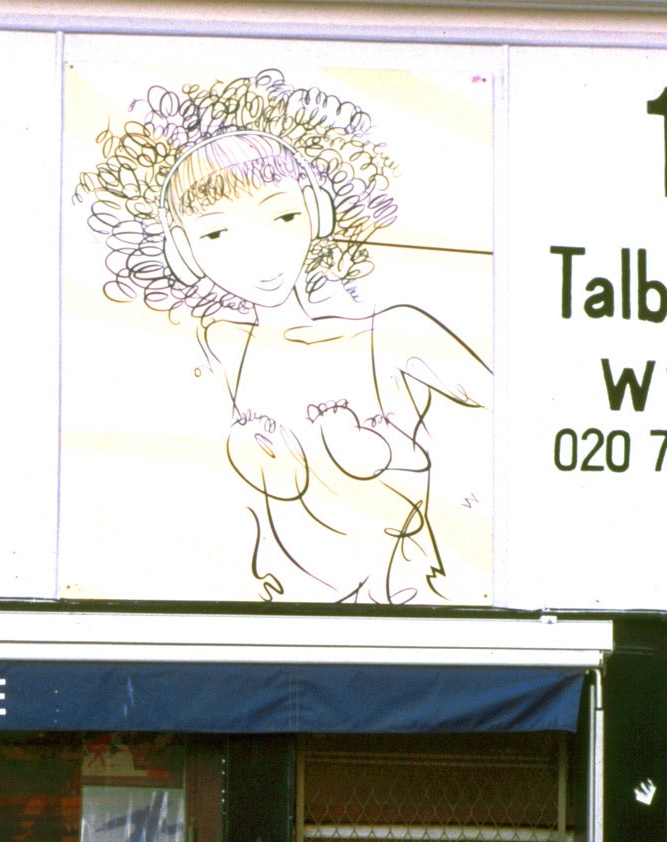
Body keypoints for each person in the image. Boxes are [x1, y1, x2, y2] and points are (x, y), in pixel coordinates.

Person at [82, 76, 491, 605]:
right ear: (183, 252)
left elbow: (514, 409)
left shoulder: (390, 335)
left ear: (318, 212)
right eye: (216, 234)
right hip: (291, 600)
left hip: (400, 599)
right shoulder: (227, 345)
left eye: (282, 216)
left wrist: (394, 455)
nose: (258, 251)